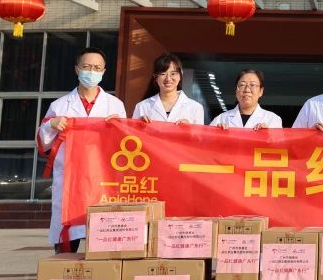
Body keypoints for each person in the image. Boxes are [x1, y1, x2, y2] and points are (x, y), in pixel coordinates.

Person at [36, 47, 126, 253]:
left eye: (97, 68)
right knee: (66, 246)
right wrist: (51, 125)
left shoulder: (115, 106)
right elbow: (43, 143)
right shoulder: (59, 106)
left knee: (103, 245)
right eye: (87, 67)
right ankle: (66, 273)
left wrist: (119, 127)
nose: (91, 72)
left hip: (102, 180)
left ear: (103, 72)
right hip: (70, 181)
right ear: (77, 69)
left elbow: (125, 146)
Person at [132, 53, 204, 125]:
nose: (168, 79)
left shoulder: (196, 108)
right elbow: (132, 132)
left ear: (180, 76)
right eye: (163, 74)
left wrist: (190, 129)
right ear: (155, 78)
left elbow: (200, 132)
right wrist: (138, 125)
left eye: (173, 74)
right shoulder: (142, 106)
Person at [211, 69, 282, 129]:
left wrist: (268, 135)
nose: (247, 90)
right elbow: (207, 140)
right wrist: (217, 134)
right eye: (242, 85)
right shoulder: (221, 119)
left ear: (261, 91)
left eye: (252, 85)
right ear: (236, 91)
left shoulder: (273, 119)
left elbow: (278, 141)